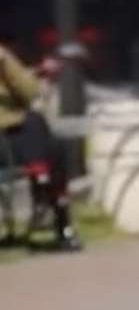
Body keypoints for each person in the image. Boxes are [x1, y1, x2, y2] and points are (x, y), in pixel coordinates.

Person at [0, 42, 79, 250]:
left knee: (54, 145)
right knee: (36, 128)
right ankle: (42, 190)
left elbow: (30, 92)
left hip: (13, 133)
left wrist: (7, 67)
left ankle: (60, 222)